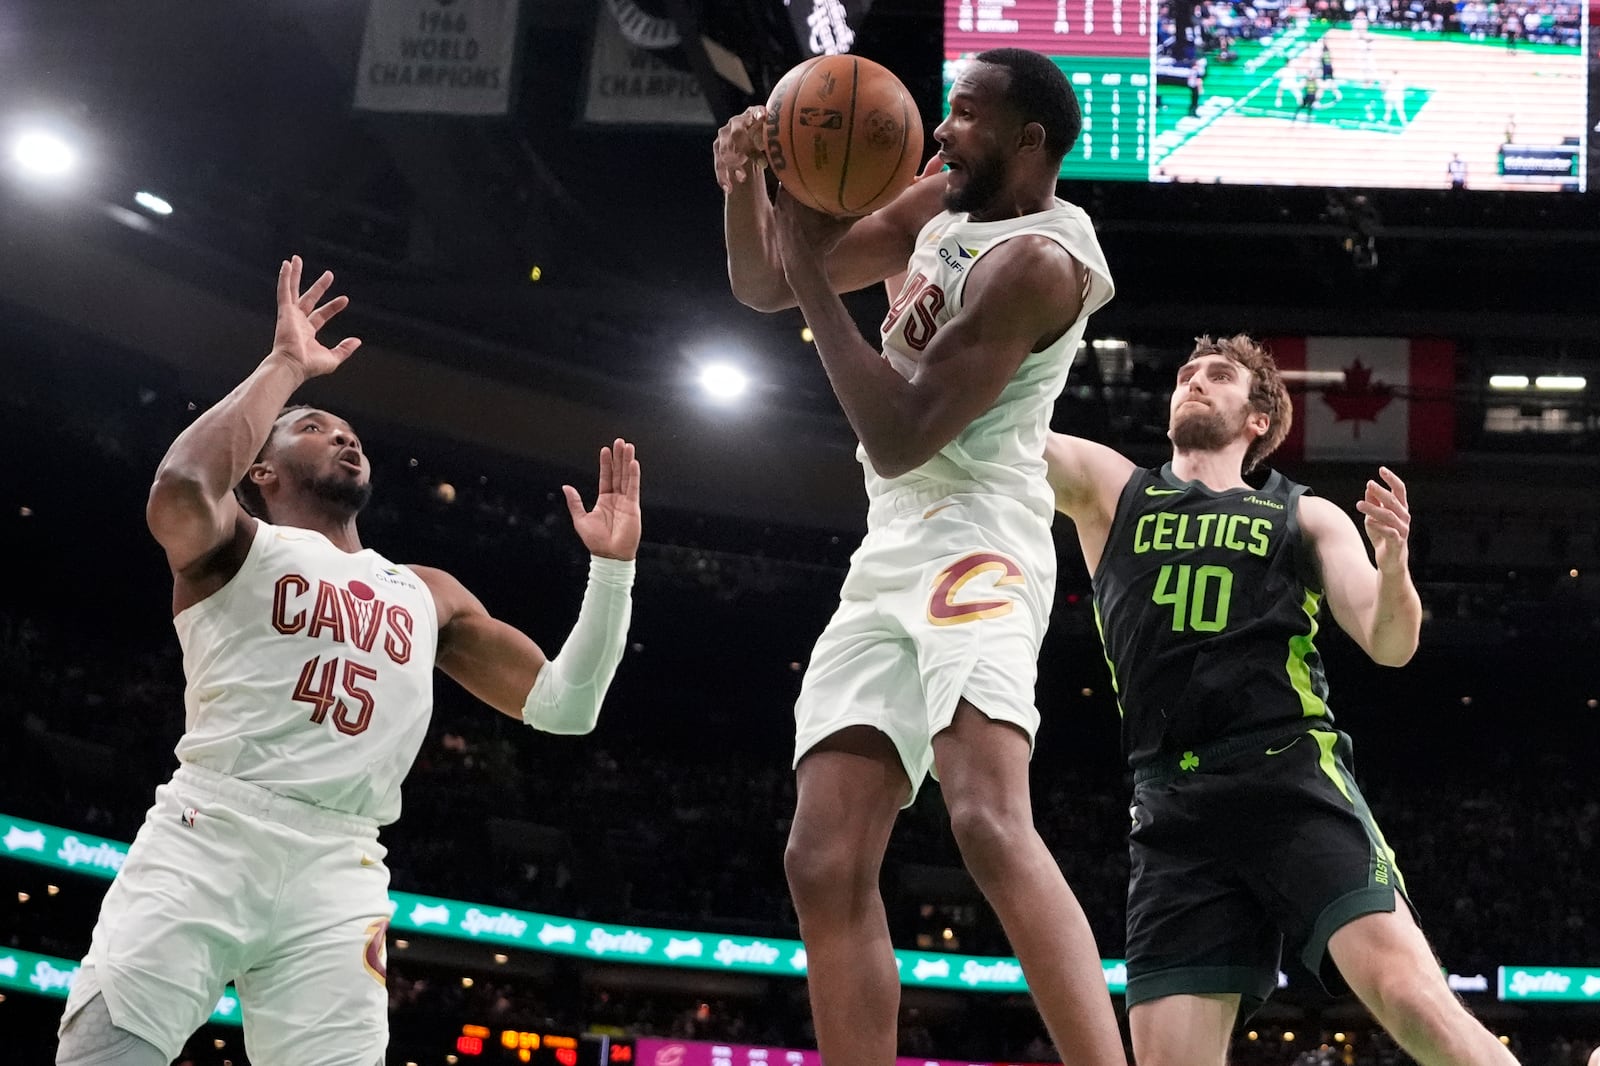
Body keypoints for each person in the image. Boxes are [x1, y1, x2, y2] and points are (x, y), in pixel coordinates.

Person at [55, 257, 641, 1066]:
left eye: (350, 432)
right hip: (211, 831)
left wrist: (613, 572)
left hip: (343, 865)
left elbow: (567, 706)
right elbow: (184, 483)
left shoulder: (428, 591)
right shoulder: (234, 543)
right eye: (312, 426)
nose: (342, 435)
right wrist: (284, 365)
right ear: (260, 471)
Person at [713, 48, 1124, 1066]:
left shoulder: (1039, 260)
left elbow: (900, 430)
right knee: (820, 855)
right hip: (891, 541)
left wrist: (808, 267)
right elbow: (764, 283)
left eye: (967, 115)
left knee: (985, 816)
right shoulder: (940, 201)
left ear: (1029, 141)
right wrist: (758, 178)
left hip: (982, 537)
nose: (941, 130)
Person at [1042, 334, 1520, 1066]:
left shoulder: (1305, 514)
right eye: (1186, 373)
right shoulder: (1114, 487)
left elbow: (1390, 642)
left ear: (1257, 417)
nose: (1194, 382)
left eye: (1219, 375)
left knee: (1409, 998)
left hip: (1287, 779)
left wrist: (1394, 566)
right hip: (1171, 809)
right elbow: (1004, 434)